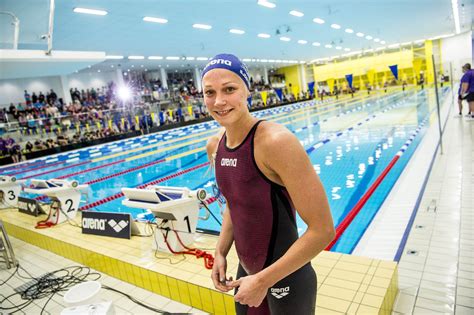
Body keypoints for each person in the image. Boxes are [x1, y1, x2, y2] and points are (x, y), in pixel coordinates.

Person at [203, 54, 335, 314]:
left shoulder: (276, 143)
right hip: (247, 274)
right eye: (210, 92)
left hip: (288, 279)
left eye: (229, 89)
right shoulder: (215, 146)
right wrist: (220, 252)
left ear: (247, 91)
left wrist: (263, 280)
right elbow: (234, 204)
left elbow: (323, 230)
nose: (219, 101)